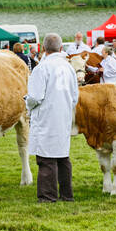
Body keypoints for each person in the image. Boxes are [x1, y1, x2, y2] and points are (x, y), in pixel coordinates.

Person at [25, 34, 78, 203]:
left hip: (46, 116)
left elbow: (35, 96)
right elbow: (75, 96)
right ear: (61, 48)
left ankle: (48, 196)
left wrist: (28, 102)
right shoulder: (68, 67)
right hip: (63, 115)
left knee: (46, 158)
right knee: (62, 157)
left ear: (43, 49)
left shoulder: (42, 67)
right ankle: (66, 194)